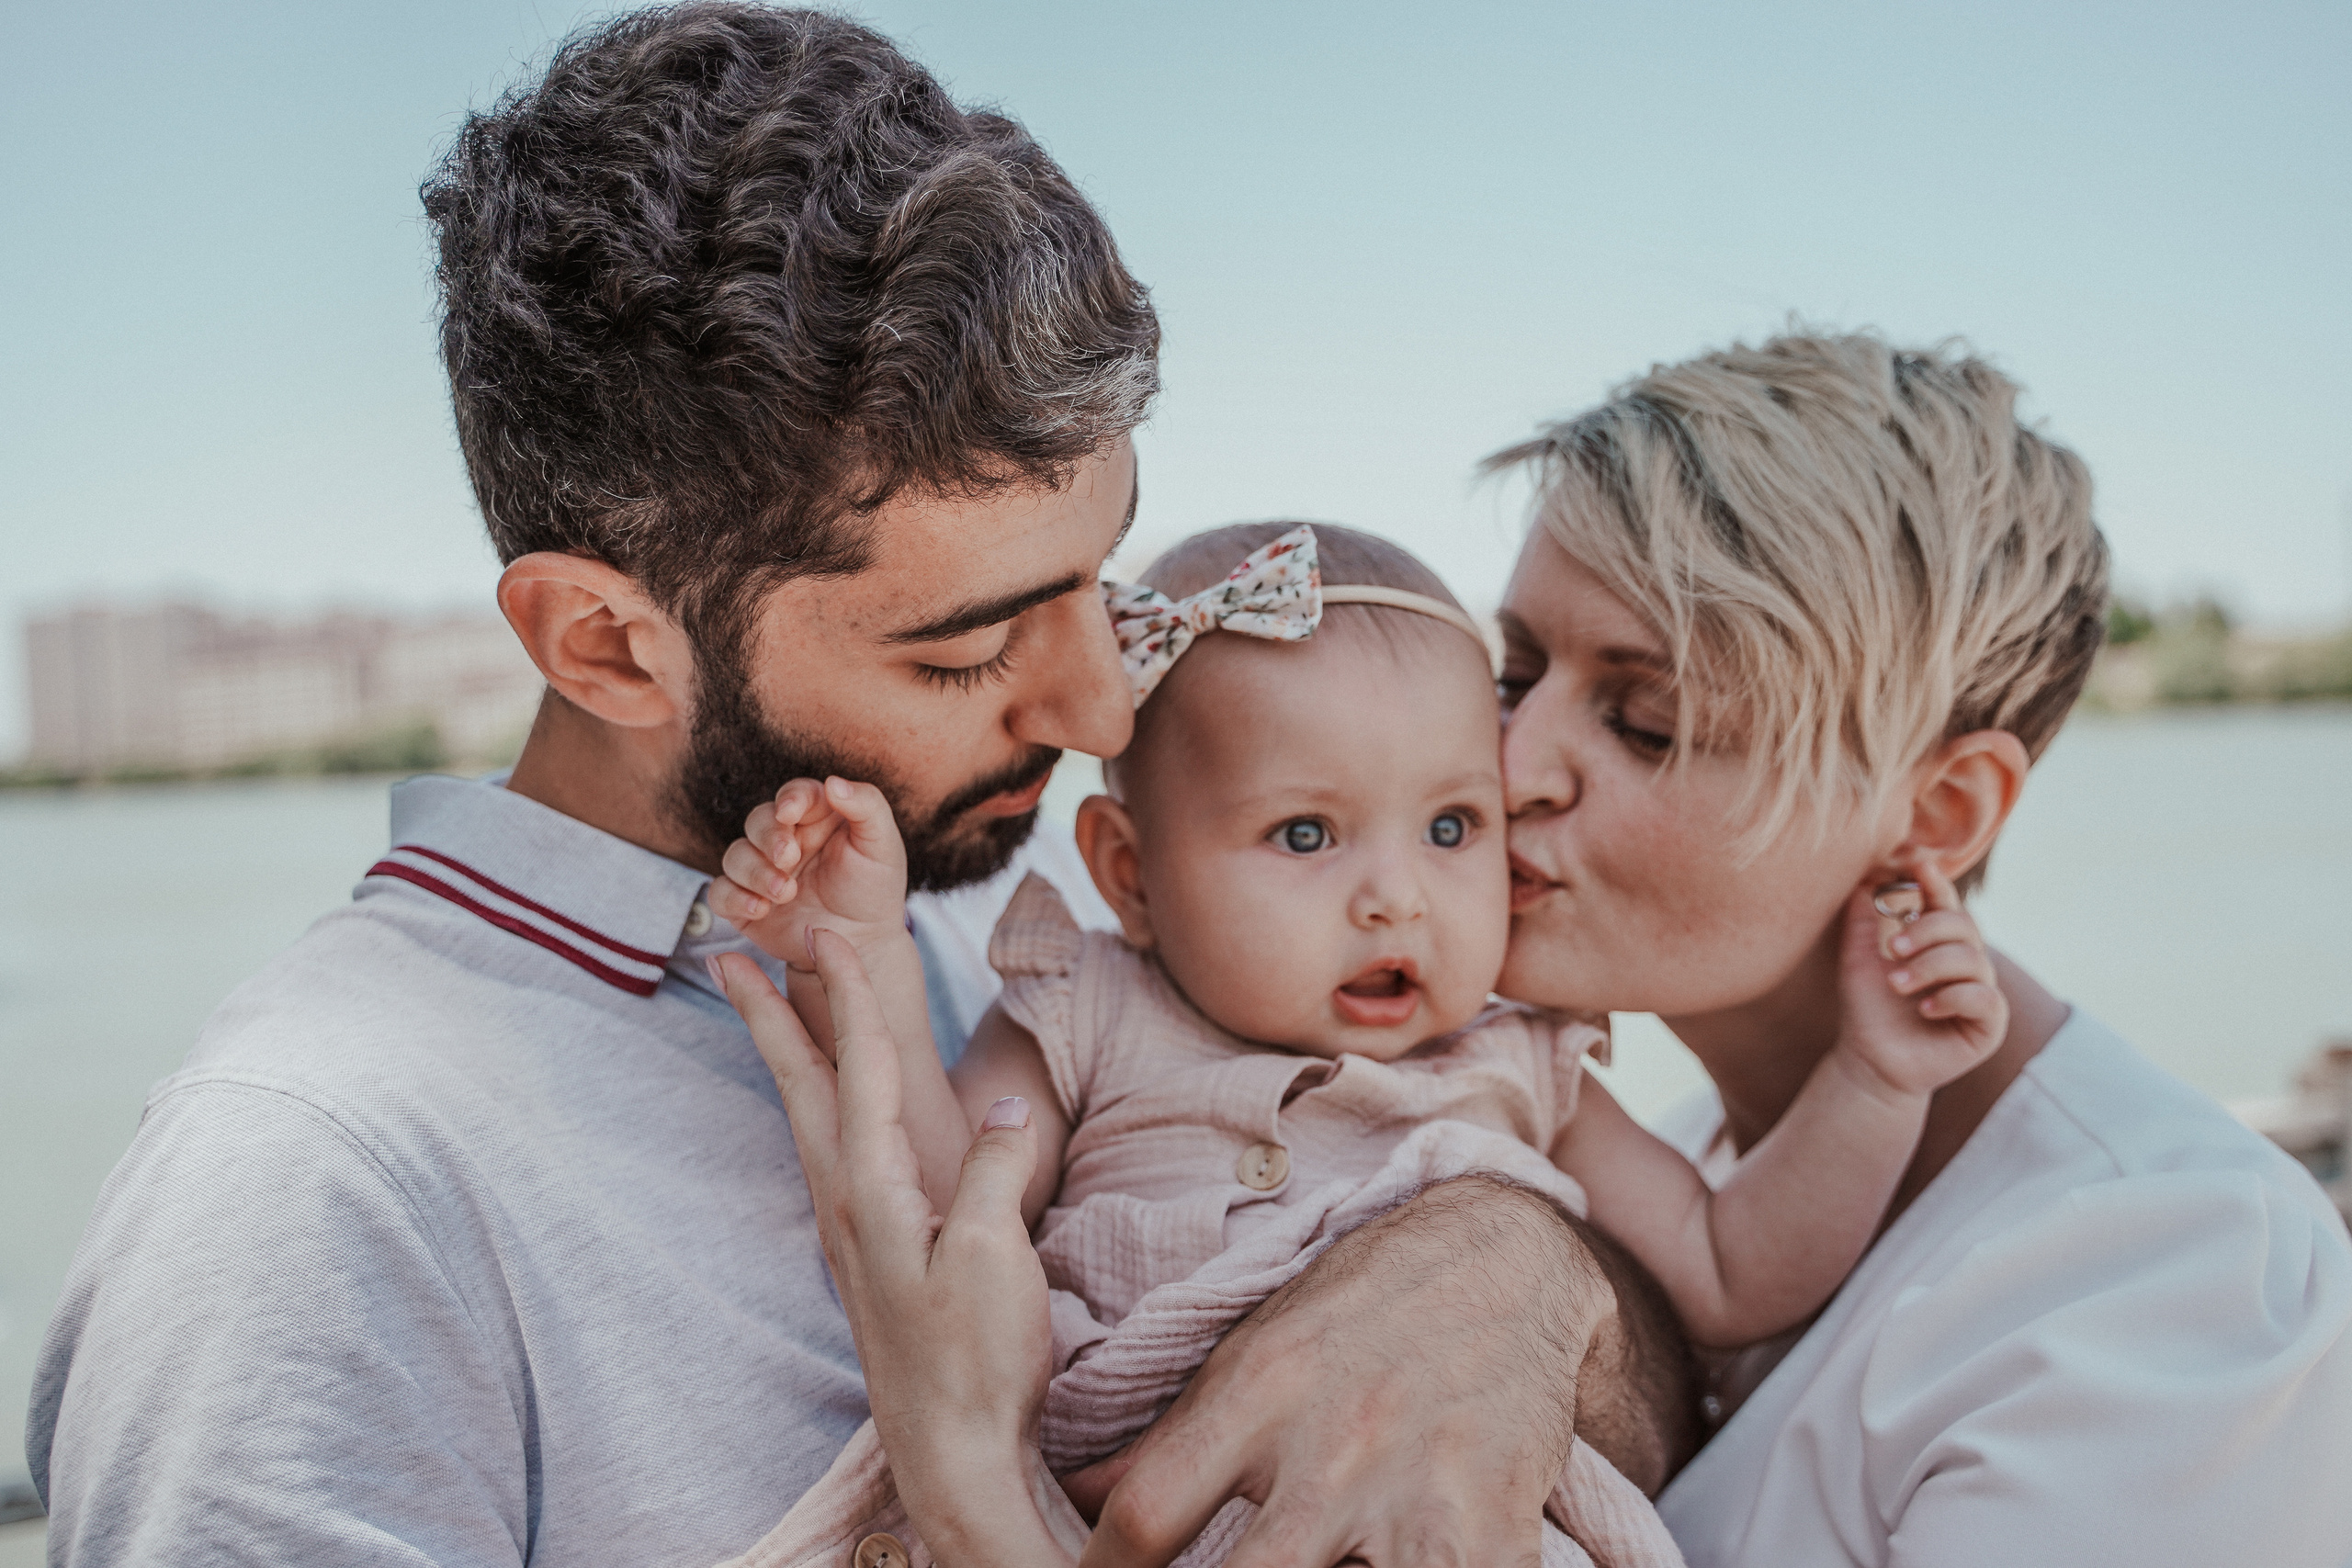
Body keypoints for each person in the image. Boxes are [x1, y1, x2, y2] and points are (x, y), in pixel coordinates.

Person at [26, 8, 1667, 1565]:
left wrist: (1501, 1271)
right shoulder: (312, 1206)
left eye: (1103, 582)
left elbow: (1655, 1341)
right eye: (966, 650)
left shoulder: (1010, 927)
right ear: (604, 645)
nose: (1105, 701)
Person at [704, 517, 2009, 1552]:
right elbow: (944, 1213)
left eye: (1452, 827)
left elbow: (1734, 1272)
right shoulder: (1084, 1013)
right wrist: (861, 953)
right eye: (1306, 835)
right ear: (1130, 874)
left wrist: (1878, 1078)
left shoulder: (1521, 1055)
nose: (1397, 894)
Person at [1487, 333, 2352, 1563]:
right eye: (1516, 672)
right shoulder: (1660, 1162)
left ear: (1938, 812)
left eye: (1648, 723)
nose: (1511, 768)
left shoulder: (2175, 1285)